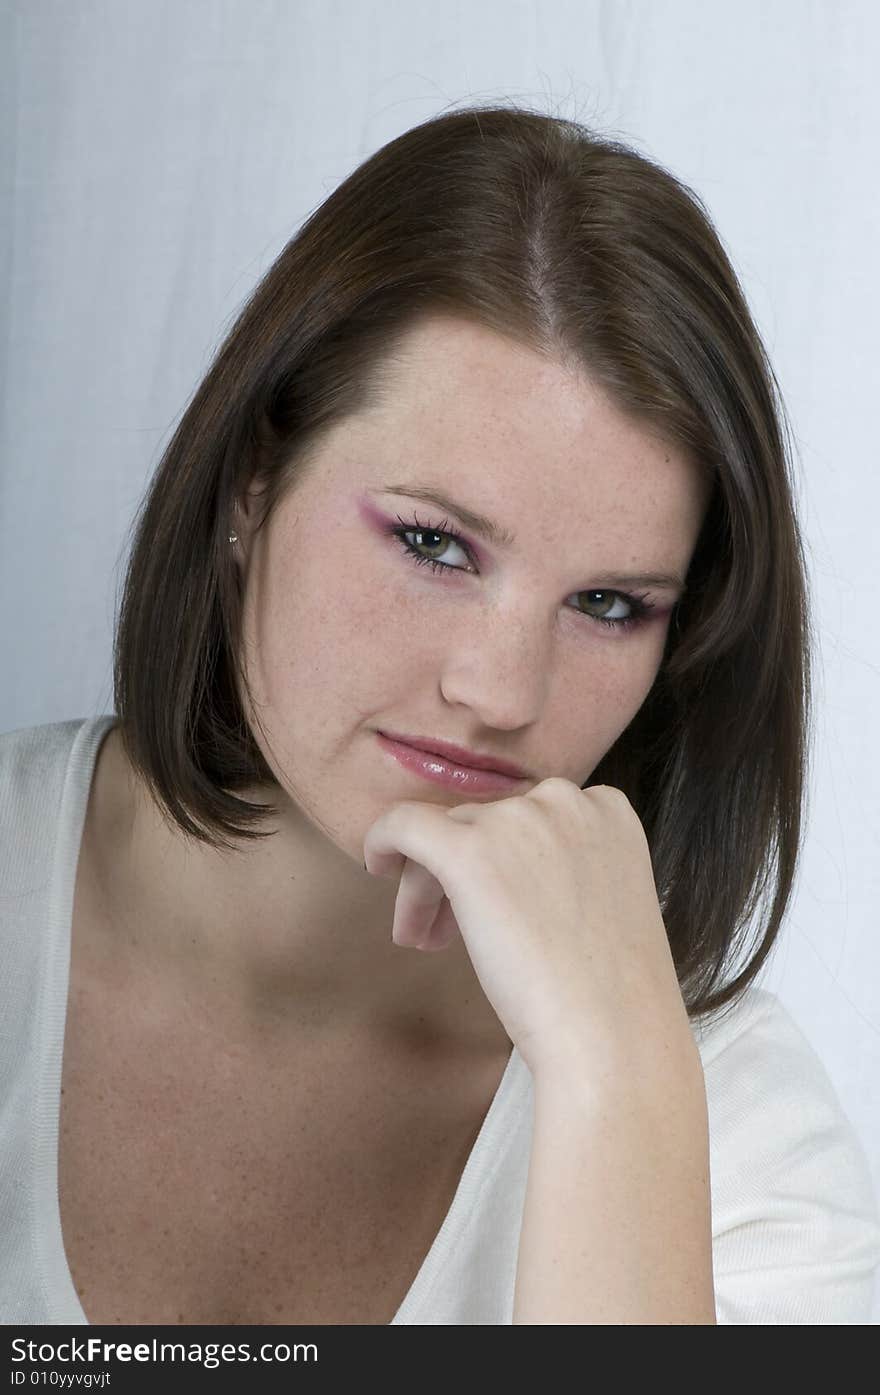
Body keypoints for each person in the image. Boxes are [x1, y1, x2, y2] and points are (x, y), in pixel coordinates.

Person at [2, 103, 879, 1326]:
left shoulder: (723, 1111)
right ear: (252, 482)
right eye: (433, 543)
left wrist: (612, 1079)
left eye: (611, 604)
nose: (500, 693)